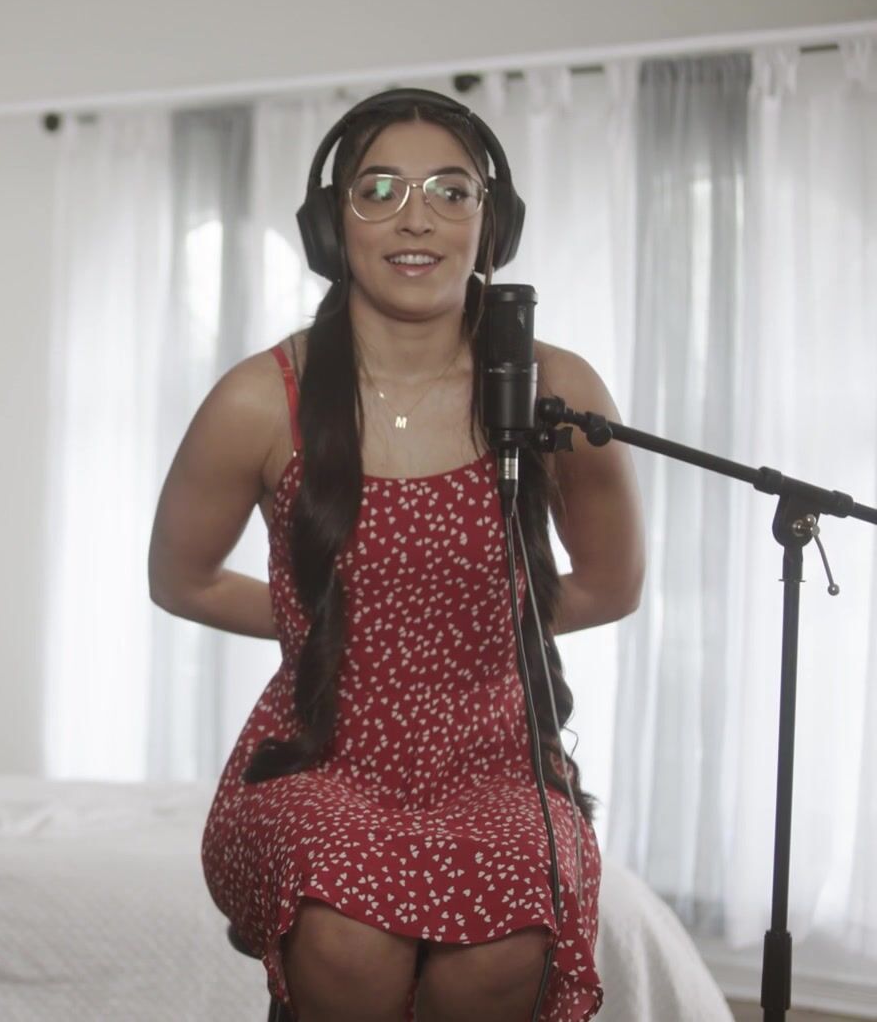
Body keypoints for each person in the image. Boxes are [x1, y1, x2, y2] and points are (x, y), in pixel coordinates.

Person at [148, 89, 644, 1021]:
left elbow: (613, 584)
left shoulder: (556, 390)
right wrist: (337, 625)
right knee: (349, 938)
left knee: (504, 946)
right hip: (322, 758)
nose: (418, 218)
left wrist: (467, 627)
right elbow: (182, 579)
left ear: (492, 225)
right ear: (331, 227)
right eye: (379, 190)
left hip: (498, 758)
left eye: (451, 192)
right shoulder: (259, 400)